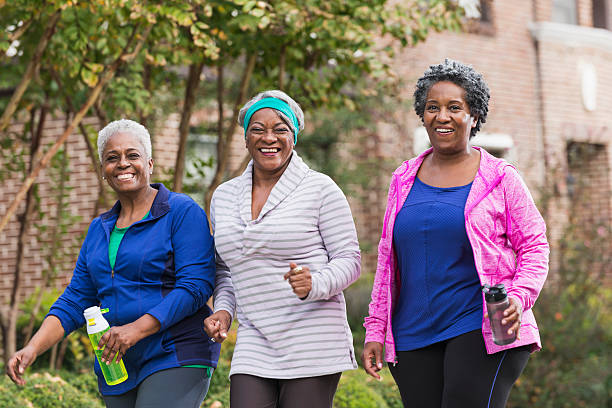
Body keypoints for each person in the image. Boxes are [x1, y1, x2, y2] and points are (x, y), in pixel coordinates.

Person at [362, 59, 549, 408]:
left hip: (482, 326)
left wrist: (519, 296)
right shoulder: (402, 179)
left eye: (454, 107)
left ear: (474, 116)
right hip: (412, 332)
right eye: (432, 107)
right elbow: (388, 261)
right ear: (422, 114)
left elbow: (535, 245)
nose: (442, 116)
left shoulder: (500, 177)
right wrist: (376, 329)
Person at [6, 119, 221, 408]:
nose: (123, 164)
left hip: (175, 353)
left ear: (150, 163)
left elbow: (196, 285)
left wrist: (136, 329)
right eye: (112, 158)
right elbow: (76, 299)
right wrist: (33, 348)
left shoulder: (180, 212)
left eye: (132, 155)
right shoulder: (99, 229)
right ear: (103, 172)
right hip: (116, 364)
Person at [203, 90, 361, 408]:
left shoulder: (320, 189)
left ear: (294, 137)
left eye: (280, 129)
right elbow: (225, 269)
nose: (269, 137)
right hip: (255, 336)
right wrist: (223, 309)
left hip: (312, 336)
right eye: (258, 129)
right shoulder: (224, 196)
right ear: (246, 137)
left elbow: (350, 259)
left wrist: (316, 283)